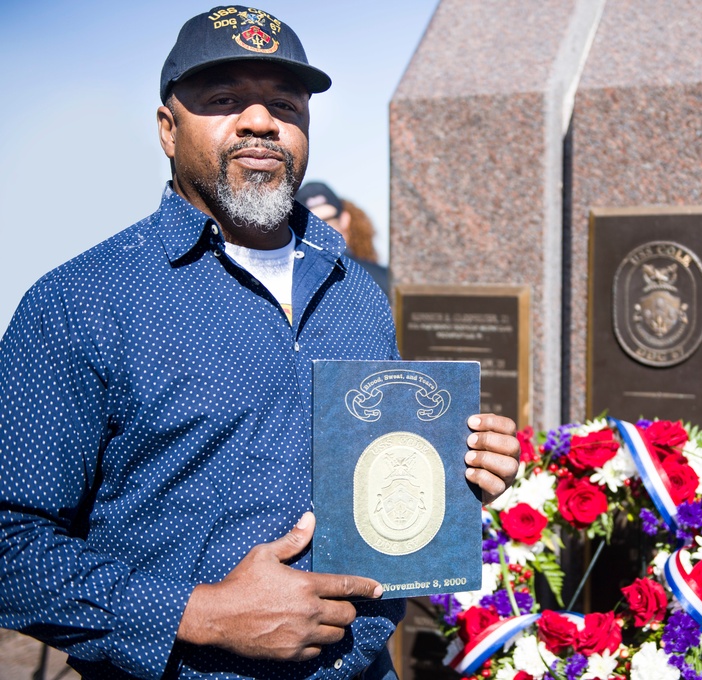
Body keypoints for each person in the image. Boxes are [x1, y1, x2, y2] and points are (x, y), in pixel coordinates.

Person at [0, 6, 519, 680]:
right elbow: (11, 545)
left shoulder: (357, 293)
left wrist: (450, 479)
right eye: (222, 100)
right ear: (167, 128)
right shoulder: (79, 303)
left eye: (284, 103)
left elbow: (367, 487)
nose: (259, 121)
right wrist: (201, 613)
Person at [296, 182, 390, 295]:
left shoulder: (293, 287)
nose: (320, 232)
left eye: (327, 222)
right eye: (312, 225)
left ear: (345, 219)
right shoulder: (384, 279)